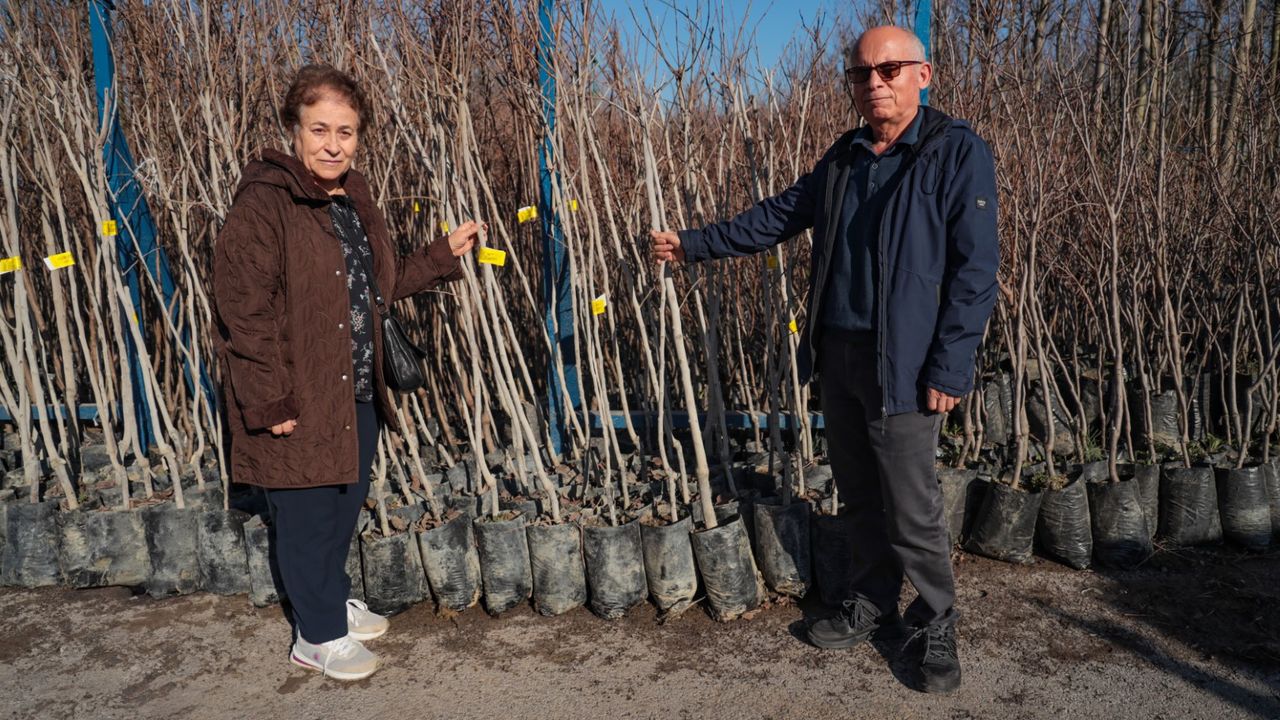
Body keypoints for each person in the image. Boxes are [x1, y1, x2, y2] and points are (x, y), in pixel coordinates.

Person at [652, 26, 998, 694]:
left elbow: (976, 271)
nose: (874, 83)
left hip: (905, 364)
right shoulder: (844, 158)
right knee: (860, 493)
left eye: (889, 70)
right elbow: (780, 215)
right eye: (861, 73)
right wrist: (694, 245)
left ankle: (936, 623)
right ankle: (871, 600)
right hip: (838, 355)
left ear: (922, 75)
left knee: (912, 504)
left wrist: (951, 368)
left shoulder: (955, 153)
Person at [213, 64, 479, 681]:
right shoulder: (264, 204)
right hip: (298, 392)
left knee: (342, 507)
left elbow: (375, 287)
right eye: (320, 129)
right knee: (306, 518)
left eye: (347, 132)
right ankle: (316, 637)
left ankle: (327, 603)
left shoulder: (352, 197)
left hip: (355, 384)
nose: (334, 144)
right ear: (294, 130)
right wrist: (269, 400)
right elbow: (242, 311)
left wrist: (441, 256)